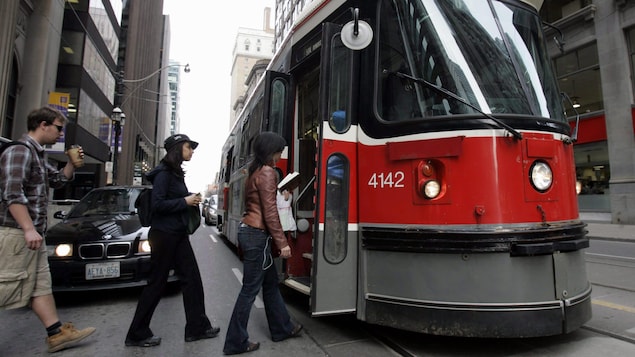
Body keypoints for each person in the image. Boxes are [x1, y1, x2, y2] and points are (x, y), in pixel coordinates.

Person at [0, 106, 95, 353]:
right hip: (17, 233)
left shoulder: (37, 155)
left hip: (33, 234)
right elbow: (12, 194)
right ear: (43, 125)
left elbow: (58, 180)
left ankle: (56, 333)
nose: (60, 134)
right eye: (58, 128)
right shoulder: (20, 151)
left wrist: (72, 165)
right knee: (6, 286)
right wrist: (28, 228)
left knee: (40, 285)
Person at [125, 134, 219, 347]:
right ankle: (137, 333)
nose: (192, 151)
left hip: (176, 234)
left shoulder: (175, 173)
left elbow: (172, 201)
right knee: (157, 283)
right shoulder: (163, 174)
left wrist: (190, 200)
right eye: (189, 147)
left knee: (192, 279)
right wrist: (185, 201)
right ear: (177, 148)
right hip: (165, 235)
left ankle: (196, 327)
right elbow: (158, 205)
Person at [223, 132, 302, 355]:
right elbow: (269, 212)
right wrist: (282, 241)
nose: (279, 156)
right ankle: (235, 342)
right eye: (279, 151)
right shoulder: (267, 172)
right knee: (249, 291)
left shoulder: (254, 171)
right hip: (258, 235)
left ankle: (282, 328)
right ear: (270, 151)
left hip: (252, 233)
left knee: (269, 284)